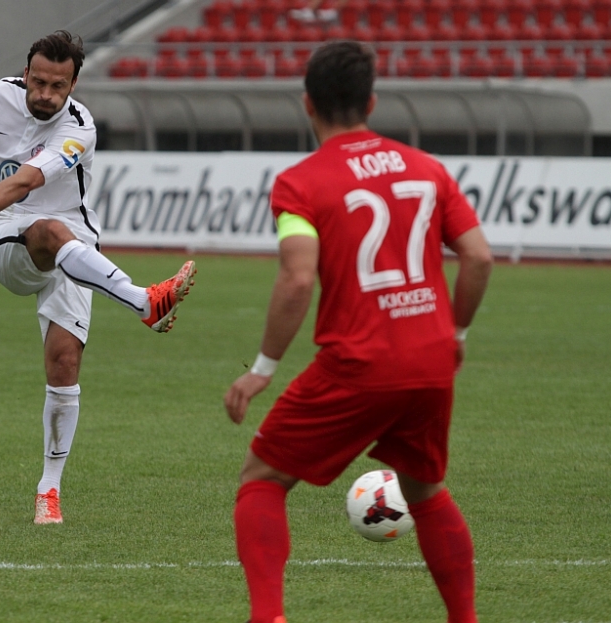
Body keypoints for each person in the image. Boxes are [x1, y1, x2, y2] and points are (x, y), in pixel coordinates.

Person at [224, 41, 493, 623]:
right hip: (431, 360)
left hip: (360, 360)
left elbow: (298, 278)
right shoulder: (428, 168)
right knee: (424, 490)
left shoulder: (300, 184)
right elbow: (478, 257)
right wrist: (457, 334)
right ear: (371, 101)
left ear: (307, 104)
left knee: (262, 477)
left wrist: (261, 369)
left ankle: (267, 617)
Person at [0, 30, 197, 525]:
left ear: (73, 85)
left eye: (58, 86)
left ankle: (48, 491)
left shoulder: (79, 128)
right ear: (26, 74)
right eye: (39, 82)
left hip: (74, 247)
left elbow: (27, 179)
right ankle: (143, 302)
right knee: (49, 230)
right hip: (12, 237)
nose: (46, 94)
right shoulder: (1, 94)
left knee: (64, 362)